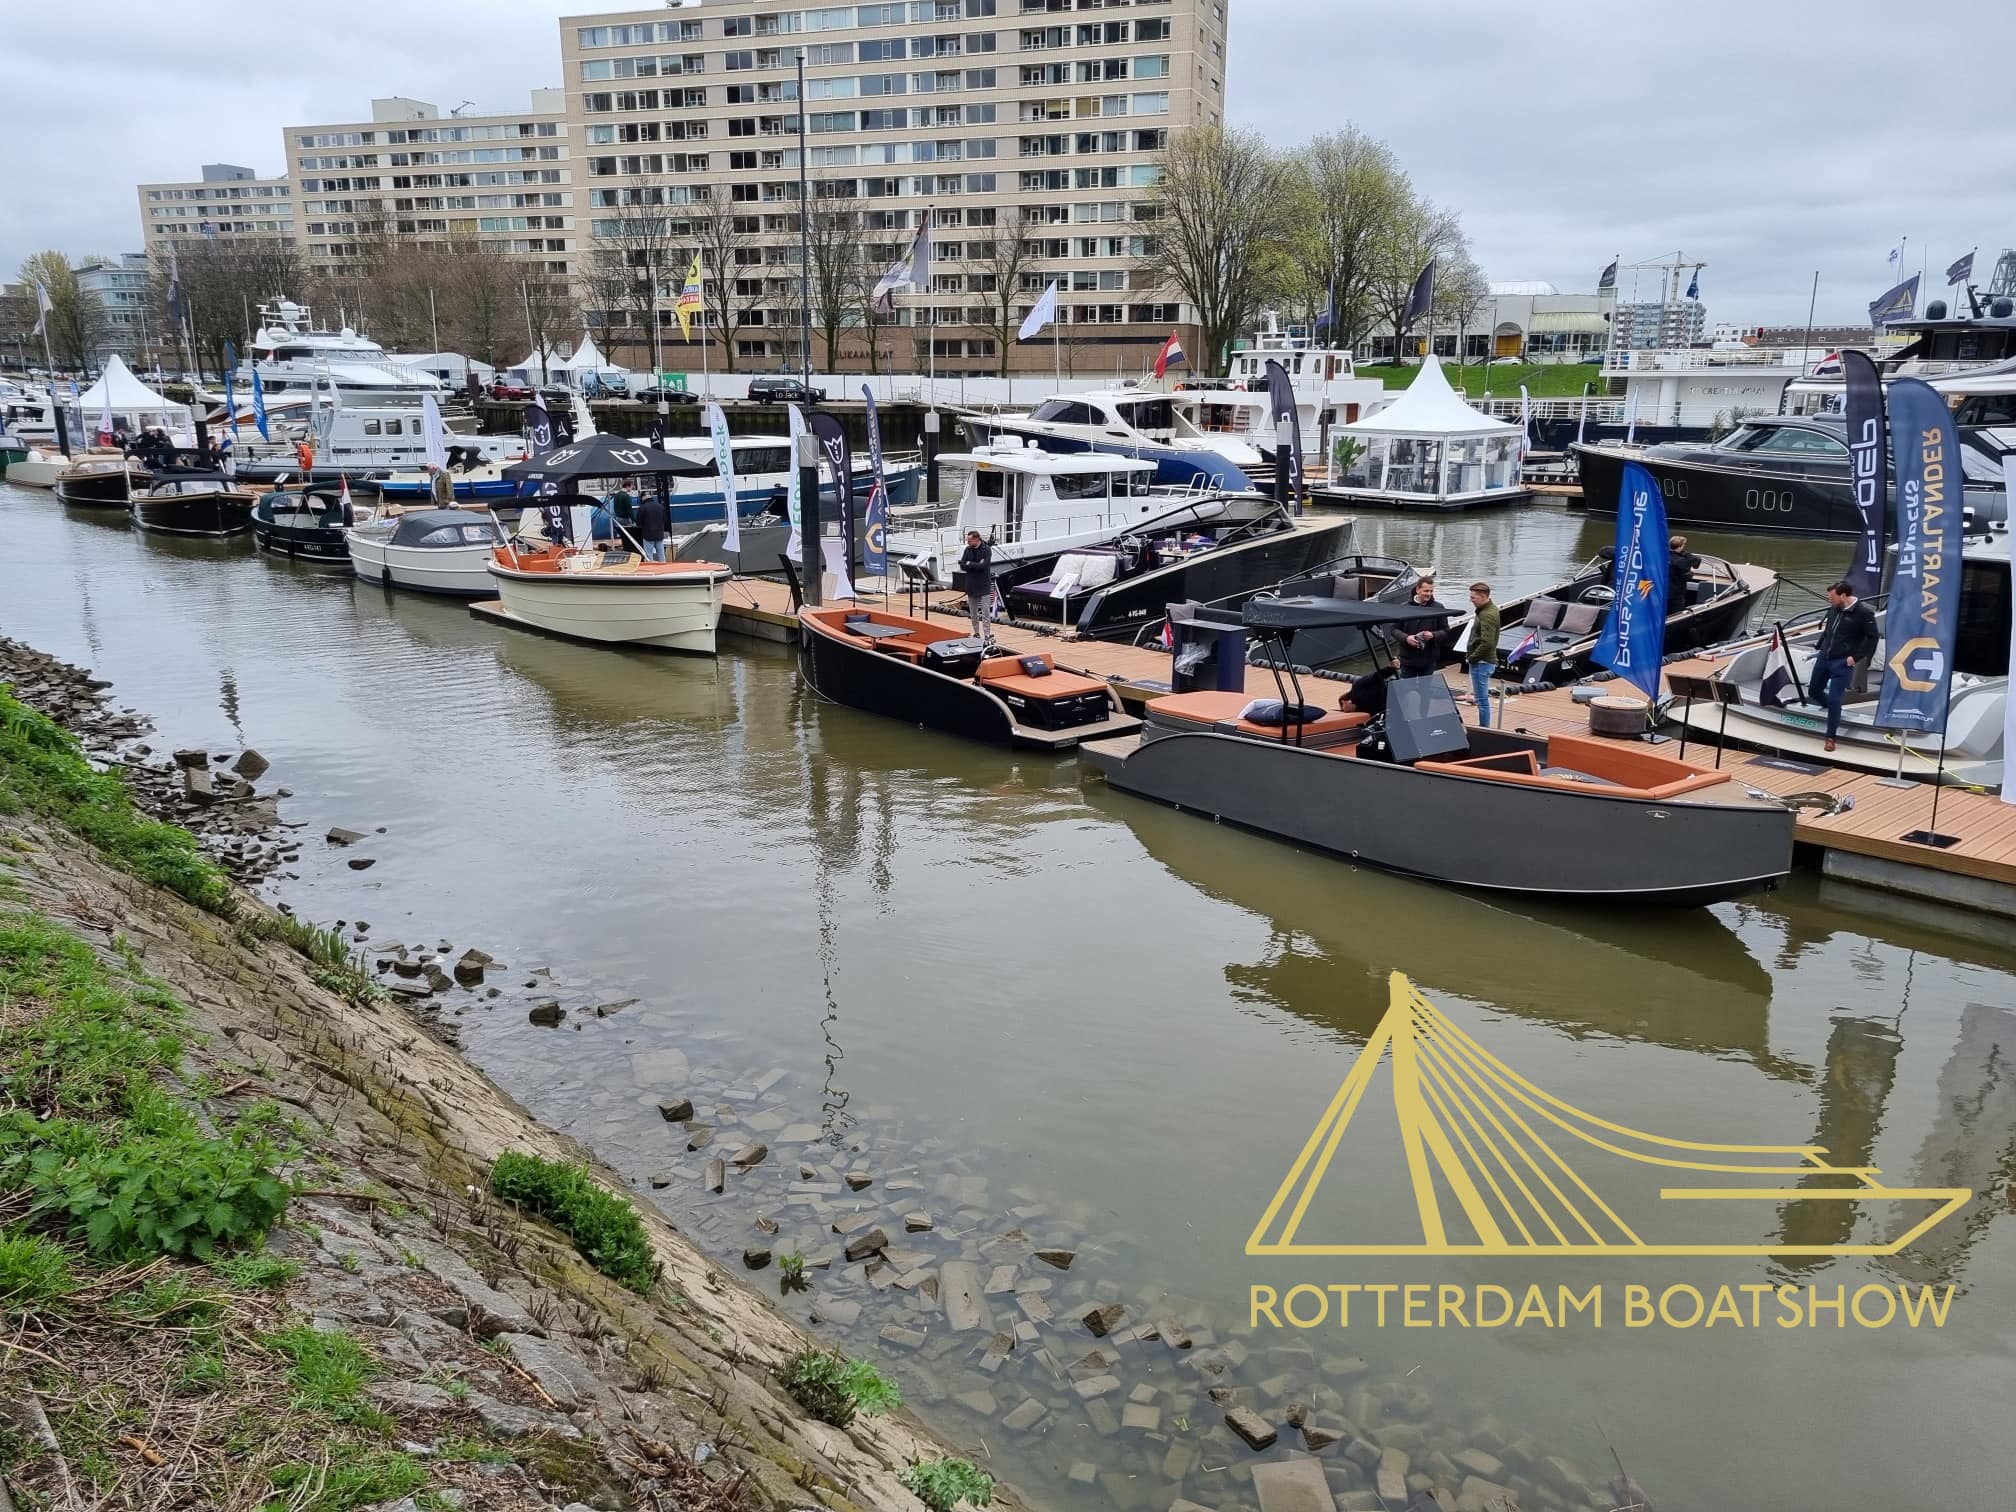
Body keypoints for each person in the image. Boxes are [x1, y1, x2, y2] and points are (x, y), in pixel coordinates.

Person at [1807, 580, 1878, 751]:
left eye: (1832, 597)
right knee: (1813, 691)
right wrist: (1819, 645)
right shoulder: (1834, 608)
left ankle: (1830, 737)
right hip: (1824, 656)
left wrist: (1856, 657)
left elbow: (1873, 637)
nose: (1830, 600)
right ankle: (1832, 710)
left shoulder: (1863, 613)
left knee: (1835, 699)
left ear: (1843, 596)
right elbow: (1828, 629)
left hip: (1843, 661)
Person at [1395, 577, 1449, 678]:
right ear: (1417, 590)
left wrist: (1433, 635)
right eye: (1426, 591)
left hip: (1428, 658)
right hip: (1408, 658)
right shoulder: (1404, 607)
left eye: (1431, 591)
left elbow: (1446, 631)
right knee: (1408, 689)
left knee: (1425, 688)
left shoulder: (1438, 608)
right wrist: (1406, 638)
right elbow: (1394, 629)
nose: (1429, 594)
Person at [1463, 581, 1500, 726]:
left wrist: (1472, 658)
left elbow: (1488, 642)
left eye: (1473, 597)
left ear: (1483, 596)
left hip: (1482, 662)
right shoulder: (1486, 610)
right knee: (1481, 699)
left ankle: (1484, 728)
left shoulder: (1487, 615)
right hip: (1481, 661)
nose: (1471, 600)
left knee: (1482, 700)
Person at [958, 530, 995, 643]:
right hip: (971, 585)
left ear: (976, 539)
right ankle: (976, 633)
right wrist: (973, 564)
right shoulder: (967, 549)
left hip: (983, 585)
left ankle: (987, 634)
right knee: (973, 612)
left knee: (985, 612)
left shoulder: (986, 550)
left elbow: (983, 566)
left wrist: (970, 564)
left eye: (969, 540)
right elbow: (962, 565)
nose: (967, 542)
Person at [635, 485, 670, 562]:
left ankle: (651, 569)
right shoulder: (660, 506)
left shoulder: (643, 507)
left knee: (649, 555)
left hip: (648, 535)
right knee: (661, 554)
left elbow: (638, 523)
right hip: (659, 534)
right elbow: (665, 520)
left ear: (643, 497)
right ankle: (663, 567)